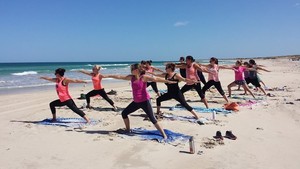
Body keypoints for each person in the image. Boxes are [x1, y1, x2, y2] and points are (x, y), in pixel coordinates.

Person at [107, 63, 175, 139]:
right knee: (124, 113)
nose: (131, 71)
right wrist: (109, 75)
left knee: (152, 119)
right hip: (136, 102)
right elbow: (120, 77)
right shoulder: (131, 77)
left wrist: (168, 81)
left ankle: (163, 134)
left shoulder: (143, 77)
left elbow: (155, 79)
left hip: (145, 101)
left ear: (136, 70)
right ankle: (128, 129)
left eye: (132, 69)